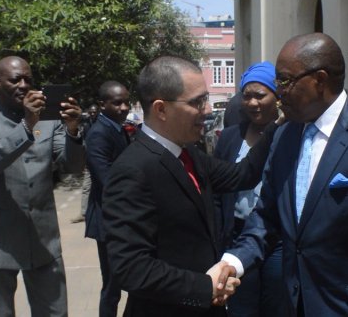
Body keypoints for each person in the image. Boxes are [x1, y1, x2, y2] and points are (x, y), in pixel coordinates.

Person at [219, 33, 348, 316]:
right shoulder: (284, 135)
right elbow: (266, 216)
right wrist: (233, 262)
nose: (278, 90)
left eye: (285, 80)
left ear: (320, 80)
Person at [101, 56, 279, 317]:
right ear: (161, 109)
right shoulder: (132, 170)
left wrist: (275, 128)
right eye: (197, 102)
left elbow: (242, 175)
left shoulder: (189, 154)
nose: (207, 111)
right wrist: (205, 287)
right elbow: (131, 268)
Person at [0, 56, 85, 316]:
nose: (24, 85)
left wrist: (72, 130)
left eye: (28, 79)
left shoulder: (48, 120)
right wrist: (27, 125)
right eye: (15, 80)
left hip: (42, 242)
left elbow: (71, 166)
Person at [213, 61, 285, 317]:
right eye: (247, 96)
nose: (253, 103)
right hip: (236, 236)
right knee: (242, 306)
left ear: (277, 97)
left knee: (276, 305)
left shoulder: (289, 135)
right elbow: (218, 190)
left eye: (260, 95)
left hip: (277, 240)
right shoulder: (231, 136)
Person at [84, 81, 131, 316]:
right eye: (117, 103)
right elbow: (107, 180)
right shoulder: (99, 133)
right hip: (108, 221)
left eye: (126, 102)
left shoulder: (117, 128)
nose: (124, 107)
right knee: (112, 286)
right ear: (103, 105)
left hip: (121, 220)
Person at [71, 103, 99, 223]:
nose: (92, 114)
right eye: (91, 112)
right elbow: (83, 144)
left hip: (101, 161)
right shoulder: (86, 124)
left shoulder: (102, 124)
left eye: (94, 112)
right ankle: (83, 213)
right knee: (86, 187)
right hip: (89, 161)